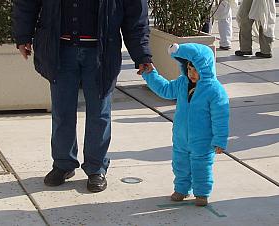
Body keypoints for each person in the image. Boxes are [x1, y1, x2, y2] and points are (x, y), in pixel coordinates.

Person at [13, 0, 154, 193]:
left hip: (101, 52)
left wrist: (142, 54)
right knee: (62, 111)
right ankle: (63, 164)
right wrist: (23, 36)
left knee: (99, 113)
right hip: (60, 50)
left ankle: (96, 168)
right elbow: (26, 4)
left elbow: (136, 14)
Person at [140, 43, 229, 206]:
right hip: (181, 136)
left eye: (196, 69)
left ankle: (202, 192)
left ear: (205, 67)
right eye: (189, 69)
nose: (191, 74)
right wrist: (150, 74)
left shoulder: (215, 90)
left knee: (201, 166)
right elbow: (165, 89)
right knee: (180, 164)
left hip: (203, 140)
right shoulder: (182, 83)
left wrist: (220, 140)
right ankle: (181, 189)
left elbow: (220, 117)